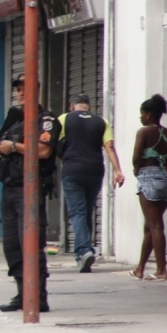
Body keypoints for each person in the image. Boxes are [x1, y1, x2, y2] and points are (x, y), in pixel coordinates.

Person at [0, 78, 59, 313]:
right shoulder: (15, 120)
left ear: (37, 91)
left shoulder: (46, 121)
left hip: (29, 190)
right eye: (18, 90)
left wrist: (14, 147)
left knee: (30, 244)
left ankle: (38, 297)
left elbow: (43, 150)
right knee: (12, 247)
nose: (20, 94)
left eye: (25, 90)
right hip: (9, 189)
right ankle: (22, 294)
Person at [59, 94, 125, 272]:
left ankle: (83, 250)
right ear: (89, 106)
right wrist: (118, 170)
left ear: (72, 106)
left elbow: (52, 143)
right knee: (86, 211)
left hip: (72, 171)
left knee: (77, 212)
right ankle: (83, 254)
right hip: (95, 171)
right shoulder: (102, 121)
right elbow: (109, 146)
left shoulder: (64, 118)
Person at [131, 94, 167, 281]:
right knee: (150, 225)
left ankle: (161, 271)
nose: (140, 117)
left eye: (142, 114)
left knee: (155, 225)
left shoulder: (144, 131)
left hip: (149, 178)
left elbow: (136, 157)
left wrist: (136, 169)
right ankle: (139, 269)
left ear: (149, 114)